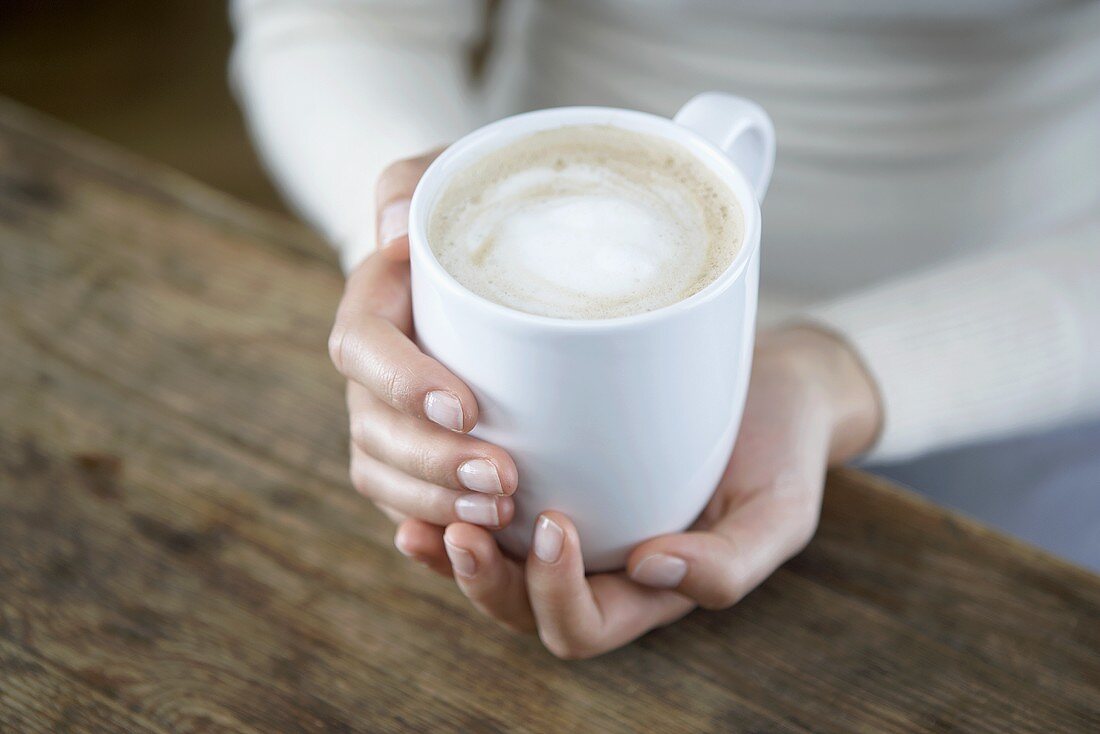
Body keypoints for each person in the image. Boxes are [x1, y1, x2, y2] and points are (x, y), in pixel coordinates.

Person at [230, 0, 1100, 658]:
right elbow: (347, 21)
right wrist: (406, 239)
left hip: (1034, 381)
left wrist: (843, 369)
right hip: (503, 228)